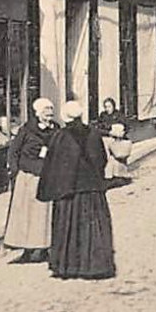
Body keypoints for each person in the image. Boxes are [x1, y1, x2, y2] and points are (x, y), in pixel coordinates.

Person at [38, 101, 115, 280]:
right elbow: (101, 159)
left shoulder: (60, 136)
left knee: (68, 226)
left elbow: (53, 163)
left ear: (65, 117)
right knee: (92, 227)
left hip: (69, 191)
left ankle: (68, 265)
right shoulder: (93, 134)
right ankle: (95, 265)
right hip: (92, 189)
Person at [4, 98, 59, 263]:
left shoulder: (56, 129)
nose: (48, 117)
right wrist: (15, 172)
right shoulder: (27, 130)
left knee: (44, 215)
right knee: (26, 215)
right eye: (45, 114)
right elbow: (13, 151)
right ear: (38, 113)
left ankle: (44, 248)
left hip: (47, 176)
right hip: (27, 177)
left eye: (50, 114)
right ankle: (26, 250)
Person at [96, 98, 132, 182]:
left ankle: (120, 174)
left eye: (109, 106)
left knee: (118, 156)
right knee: (108, 157)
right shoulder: (103, 115)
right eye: (106, 107)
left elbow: (127, 126)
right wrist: (108, 132)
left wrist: (122, 133)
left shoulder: (119, 115)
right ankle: (109, 175)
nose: (107, 109)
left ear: (113, 106)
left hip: (118, 139)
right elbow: (98, 127)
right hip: (107, 138)